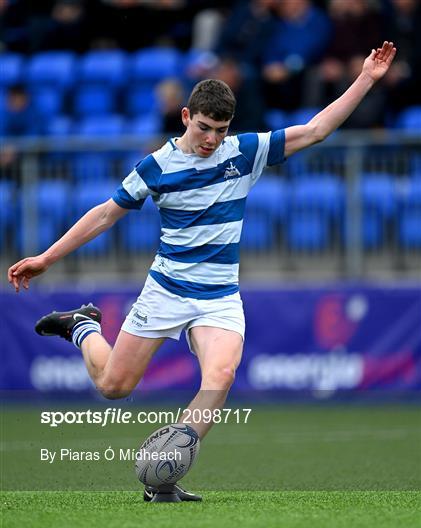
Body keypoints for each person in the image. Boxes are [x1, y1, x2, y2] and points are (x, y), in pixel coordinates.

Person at [8, 42, 396, 501]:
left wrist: (366, 79)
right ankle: (83, 326)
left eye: (222, 130)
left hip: (219, 298)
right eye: (206, 128)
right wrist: (47, 258)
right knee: (114, 386)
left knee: (221, 376)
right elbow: (104, 215)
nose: (212, 139)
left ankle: (163, 475)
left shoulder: (243, 153)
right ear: (187, 116)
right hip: (166, 291)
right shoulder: (156, 166)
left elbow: (315, 131)